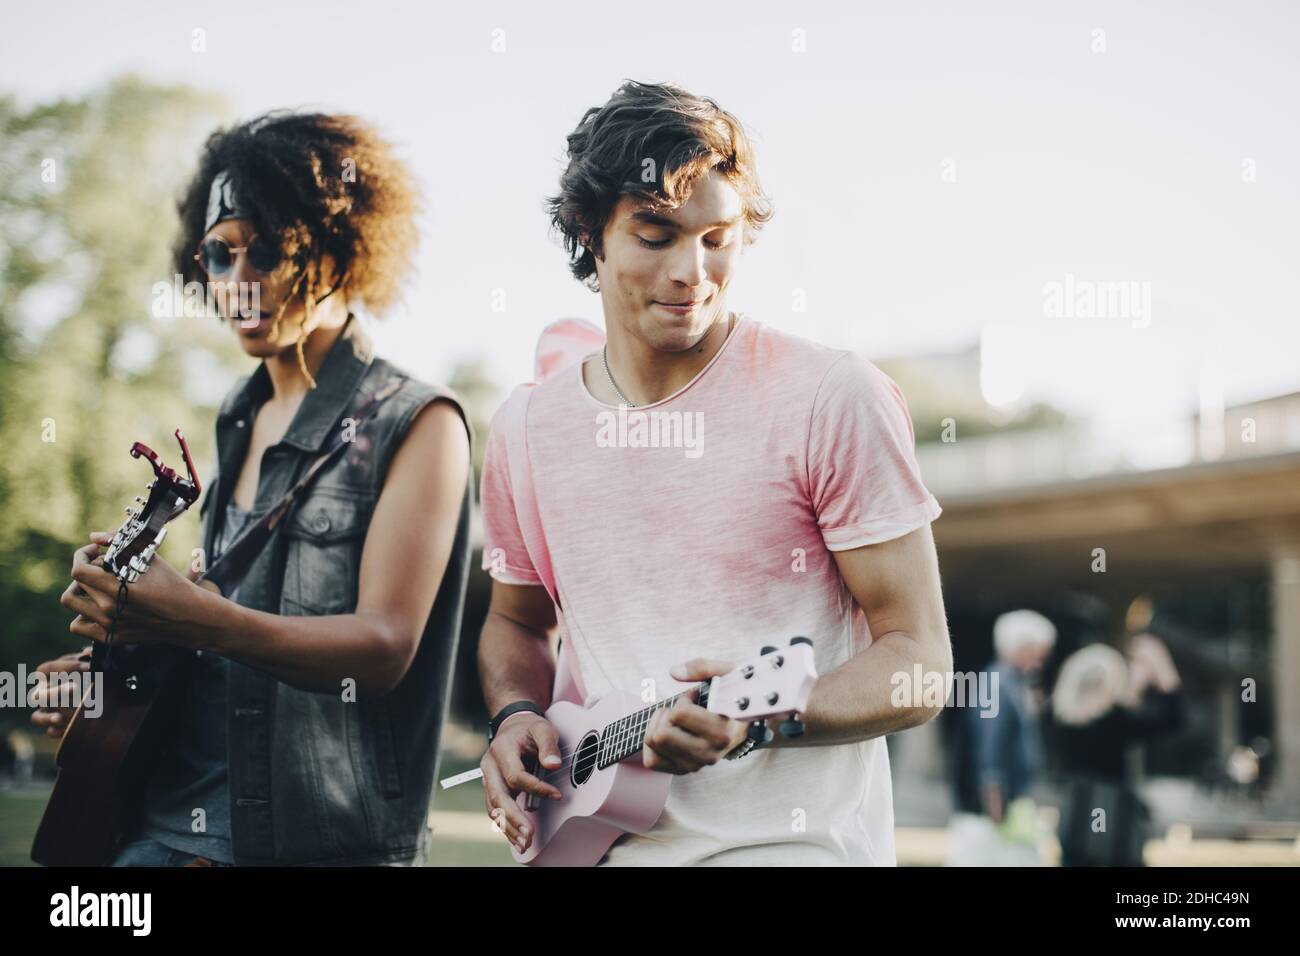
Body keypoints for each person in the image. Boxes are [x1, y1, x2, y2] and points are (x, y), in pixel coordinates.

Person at [476, 81, 950, 865]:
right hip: (598, 844)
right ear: (592, 236)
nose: (692, 271)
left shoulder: (832, 396)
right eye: (656, 236)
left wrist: (767, 717)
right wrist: (516, 712)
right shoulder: (526, 428)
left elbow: (922, 664)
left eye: (717, 237)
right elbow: (517, 620)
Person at [30, 112, 472, 866]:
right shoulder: (239, 414)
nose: (238, 282)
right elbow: (228, 641)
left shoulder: (418, 422)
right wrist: (119, 668)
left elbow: (383, 650)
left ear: (340, 247)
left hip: (315, 849)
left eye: (267, 250)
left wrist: (194, 616)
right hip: (160, 831)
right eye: (219, 254)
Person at [1052, 630, 1184, 866]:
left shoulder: (1063, 719)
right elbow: (1170, 721)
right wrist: (1163, 669)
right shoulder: (1115, 720)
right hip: (1113, 821)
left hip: (1075, 817)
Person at [949, 609, 1055, 865]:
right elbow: (990, 748)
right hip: (991, 815)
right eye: (1039, 650)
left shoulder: (1011, 684)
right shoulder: (998, 685)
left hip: (1001, 812)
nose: (1042, 660)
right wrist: (994, 803)